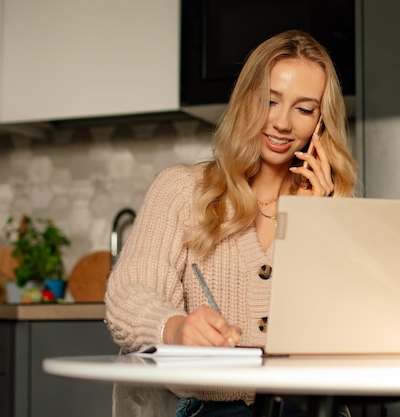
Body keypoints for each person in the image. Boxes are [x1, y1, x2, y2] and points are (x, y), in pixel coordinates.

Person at [104, 29, 359, 417]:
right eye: (270, 101)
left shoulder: (334, 207)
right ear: (246, 101)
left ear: (321, 124)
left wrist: (313, 225)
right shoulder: (181, 190)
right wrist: (173, 329)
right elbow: (130, 293)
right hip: (209, 409)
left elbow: (351, 336)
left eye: (304, 109)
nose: (283, 123)